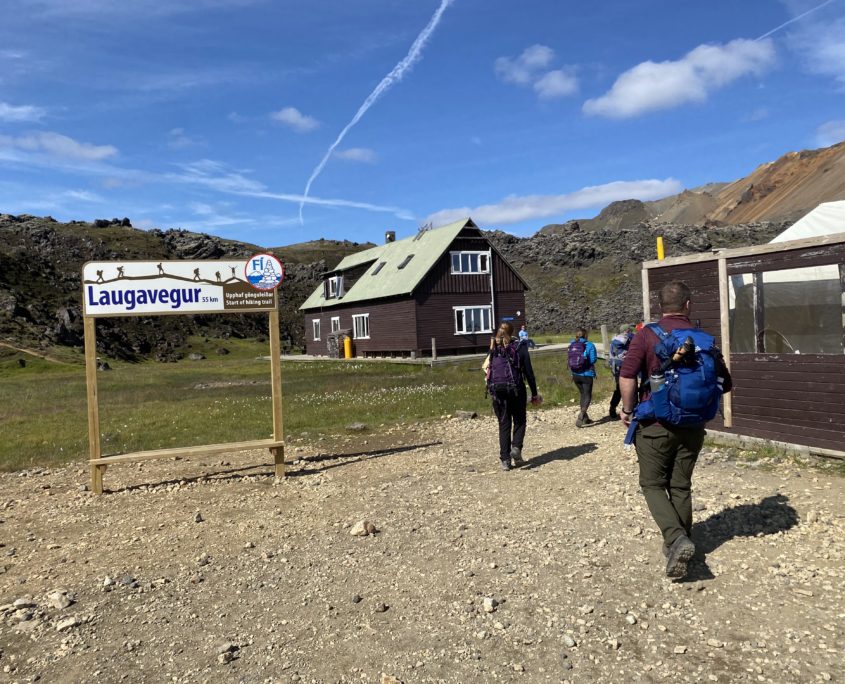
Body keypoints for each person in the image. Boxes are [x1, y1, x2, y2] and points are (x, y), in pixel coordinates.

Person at [619, 281, 733, 579]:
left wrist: (627, 411)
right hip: (694, 425)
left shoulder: (646, 335)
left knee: (653, 484)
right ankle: (679, 544)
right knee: (680, 485)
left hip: (655, 423)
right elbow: (727, 382)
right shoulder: (704, 339)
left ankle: (676, 539)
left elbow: (628, 376)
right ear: (688, 305)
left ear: (659, 307)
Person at [486, 322, 542, 471]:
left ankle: (505, 460)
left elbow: (486, 369)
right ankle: (516, 448)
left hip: (498, 392)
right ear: (512, 332)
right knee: (520, 420)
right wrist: (535, 393)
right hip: (517, 390)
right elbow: (529, 372)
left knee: (504, 424)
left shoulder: (494, 347)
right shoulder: (520, 346)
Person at [568, 327, 597, 427]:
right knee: (587, 395)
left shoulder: (572, 344)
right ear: (586, 335)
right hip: (587, 374)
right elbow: (593, 360)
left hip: (575, 374)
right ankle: (581, 416)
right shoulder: (590, 345)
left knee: (582, 394)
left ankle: (585, 418)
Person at [608, 324, 635, 419]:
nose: (632, 331)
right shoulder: (627, 337)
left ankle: (612, 407)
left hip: (614, 366)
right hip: (624, 365)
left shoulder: (614, 338)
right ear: (627, 331)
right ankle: (631, 410)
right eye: (630, 330)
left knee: (619, 388)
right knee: (631, 386)